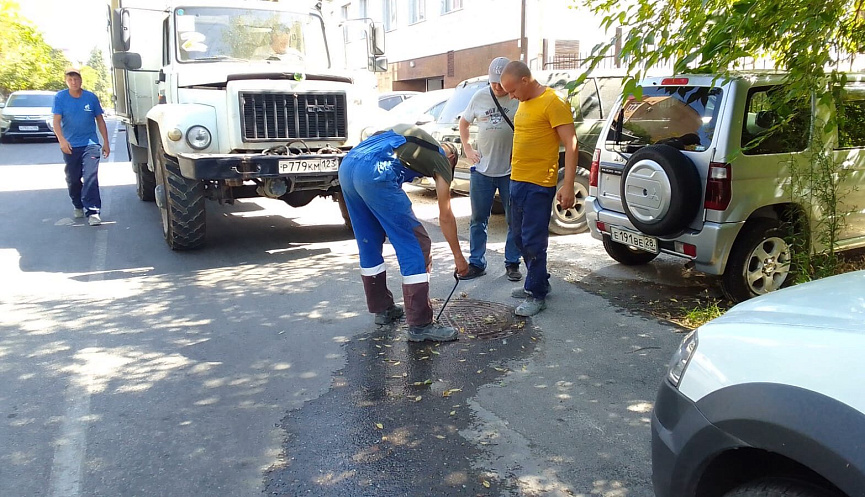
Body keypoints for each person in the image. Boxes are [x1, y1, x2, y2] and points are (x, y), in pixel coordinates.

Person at [339, 124, 468, 342]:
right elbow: (445, 215)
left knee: (369, 241)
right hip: (374, 173)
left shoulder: (409, 135)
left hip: (348, 165)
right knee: (417, 244)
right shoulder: (441, 158)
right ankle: (420, 325)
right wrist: (459, 257)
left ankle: (383, 309)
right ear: (452, 158)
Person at [499, 61, 578, 317]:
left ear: (525, 80)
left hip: (539, 184)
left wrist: (567, 186)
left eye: (512, 90)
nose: (511, 96)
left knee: (533, 239)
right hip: (517, 180)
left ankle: (536, 293)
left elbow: (571, 143)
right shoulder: (523, 101)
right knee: (519, 236)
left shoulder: (553, 101)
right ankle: (538, 279)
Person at [458, 57, 522, 282]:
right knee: (478, 219)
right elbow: (464, 123)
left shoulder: (517, 98)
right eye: (493, 82)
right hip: (482, 170)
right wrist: (467, 148)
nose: (497, 87)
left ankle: (512, 263)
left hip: (510, 171)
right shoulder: (480, 96)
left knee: (514, 219)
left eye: (500, 83)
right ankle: (477, 262)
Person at [53, 67, 110, 226]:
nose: (74, 82)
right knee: (73, 179)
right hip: (71, 145)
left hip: (90, 145)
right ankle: (78, 204)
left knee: (91, 177)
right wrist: (62, 140)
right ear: (66, 81)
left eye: (76, 79)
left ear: (81, 80)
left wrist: (105, 142)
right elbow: (56, 121)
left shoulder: (90, 98)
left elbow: (100, 120)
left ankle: (93, 211)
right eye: (70, 79)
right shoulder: (60, 97)